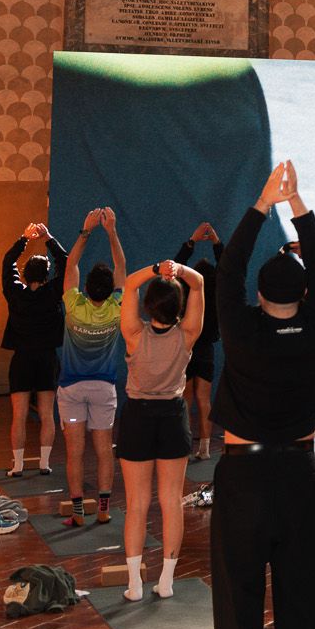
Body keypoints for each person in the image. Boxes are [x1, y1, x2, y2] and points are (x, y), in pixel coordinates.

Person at [210, 161, 315, 629]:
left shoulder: (242, 329)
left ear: (259, 294)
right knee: (303, 586)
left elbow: (228, 269)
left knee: (238, 588)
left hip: (243, 473)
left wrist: (263, 202)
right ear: (305, 294)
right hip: (298, 474)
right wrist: (298, 204)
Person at [116, 257, 204, 601]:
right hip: (172, 417)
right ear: (178, 308)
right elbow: (198, 283)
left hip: (138, 417)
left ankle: (134, 585)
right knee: (170, 501)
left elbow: (129, 285)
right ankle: (165, 582)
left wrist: (157, 269)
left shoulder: (134, 334)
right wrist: (179, 270)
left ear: (148, 306)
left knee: (137, 503)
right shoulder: (188, 335)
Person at [58, 209, 128, 528]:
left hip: (71, 390)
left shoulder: (74, 306)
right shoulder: (116, 308)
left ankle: (78, 513)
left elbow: (70, 265)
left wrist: (85, 232)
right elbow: (121, 267)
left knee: (75, 452)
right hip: (104, 390)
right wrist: (111, 232)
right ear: (111, 289)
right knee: (103, 450)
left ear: (85, 289)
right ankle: (103, 509)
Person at [1, 221, 66, 476]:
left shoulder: (16, 294)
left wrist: (24, 238)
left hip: (22, 360)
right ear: (46, 275)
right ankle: (44, 463)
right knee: (47, 414)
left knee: (19, 415)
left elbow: (8, 263)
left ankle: (17, 466)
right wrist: (48, 238)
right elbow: (65, 261)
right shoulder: (53, 293)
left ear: (25, 274)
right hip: (47, 359)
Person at [176, 221, 222, 460]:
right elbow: (228, 268)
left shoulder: (186, 291)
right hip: (206, 351)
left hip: (187, 348)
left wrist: (192, 241)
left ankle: (184, 444)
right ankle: (204, 448)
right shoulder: (217, 294)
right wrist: (216, 242)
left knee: (185, 399)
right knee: (204, 400)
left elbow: (176, 265)